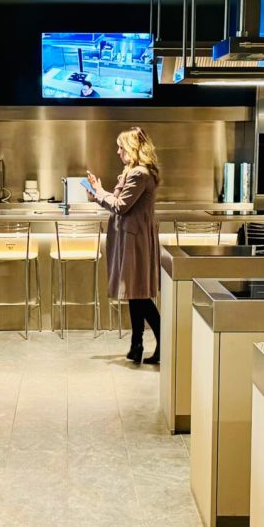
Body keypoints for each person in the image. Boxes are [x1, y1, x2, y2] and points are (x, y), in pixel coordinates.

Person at [88, 126, 161, 365]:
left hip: (135, 240)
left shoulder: (139, 173)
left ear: (131, 148)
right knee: (134, 292)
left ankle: (164, 342)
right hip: (132, 238)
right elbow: (120, 201)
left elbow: (121, 206)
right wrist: (99, 191)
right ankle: (136, 345)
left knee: (139, 294)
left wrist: (99, 194)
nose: (118, 151)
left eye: (121, 147)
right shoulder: (133, 171)